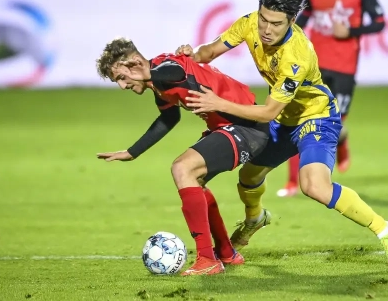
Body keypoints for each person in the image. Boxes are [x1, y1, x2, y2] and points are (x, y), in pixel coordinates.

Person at [176, 0, 388, 269]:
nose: (266, 29)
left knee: (314, 186)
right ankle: (255, 219)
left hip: (315, 118)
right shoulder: (249, 23)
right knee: (249, 177)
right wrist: (191, 54)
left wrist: (217, 103)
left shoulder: (296, 55)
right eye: (264, 19)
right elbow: (209, 51)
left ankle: (386, 230)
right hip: (284, 119)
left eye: (276, 24)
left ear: (292, 20)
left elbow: (267, 112)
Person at [95, 38, 269, 276]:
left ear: (135, 63)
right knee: (194, 180)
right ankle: (226, 252)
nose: (122, 86)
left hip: (247, 127)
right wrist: (132, 152)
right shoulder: (158, 81)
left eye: (122, 77)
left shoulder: (165, 70)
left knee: (182, 168)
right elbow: (169, 118)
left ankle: (207, 260)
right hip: (231, 127)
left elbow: (174, 71)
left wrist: (148, 75)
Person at [279, 0, 387, 197]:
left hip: (345, 66)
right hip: (314, 64)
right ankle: (293, 182)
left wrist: (350, 31)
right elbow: (306, 16)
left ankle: (342, 142)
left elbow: (379, 22)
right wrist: (288, 37)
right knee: (298, 117)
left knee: (333, 125)